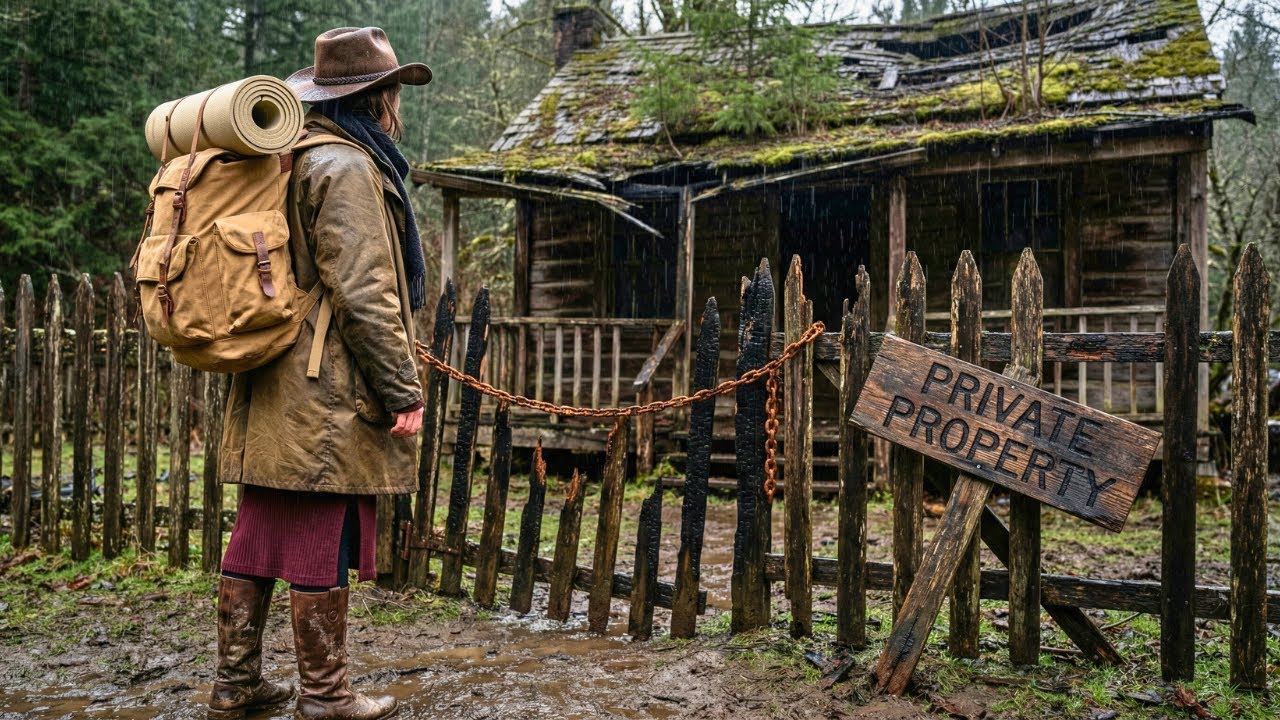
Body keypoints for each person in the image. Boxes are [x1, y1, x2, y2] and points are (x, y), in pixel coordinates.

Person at [207, 27, 431, 720]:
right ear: (380, 98)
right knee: (323, 525)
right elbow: (364, 290)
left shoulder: (287, 156)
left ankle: (237, 685)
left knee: (260, 525)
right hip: (324, 385)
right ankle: (328, 695)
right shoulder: (347, 166)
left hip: (273, 373)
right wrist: (402, 389)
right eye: (395, 92)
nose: (399, 105)